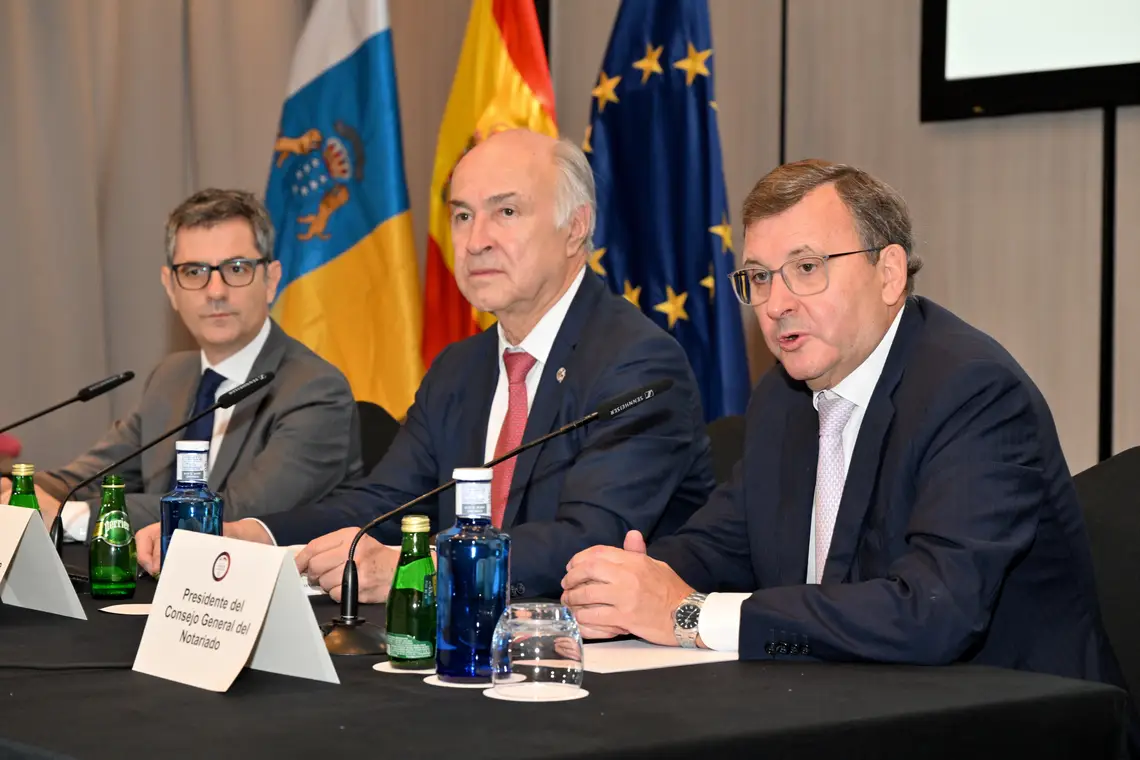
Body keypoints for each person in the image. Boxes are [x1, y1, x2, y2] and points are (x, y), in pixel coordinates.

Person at [560, 160, 1133, 719]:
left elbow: (931, 614)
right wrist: (625, 587)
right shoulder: (784, 398)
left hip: (1015, 724)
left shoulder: (972, 392)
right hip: (842, 707)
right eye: (759, 277)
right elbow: (721, 546)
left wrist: (689, 616)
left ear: (889, 273)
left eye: (806, 268)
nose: (777, 303)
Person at [136, 130, 716, 601]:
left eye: (505, 211)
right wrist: (247, 535)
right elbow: (380, 503)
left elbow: (589, 539)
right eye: (462, 216)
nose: (476, 240)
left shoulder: (636, 363)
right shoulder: (461, 368)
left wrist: (420, 567)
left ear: (576, 229)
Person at [3, 189, 362, 539]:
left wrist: (74, 516)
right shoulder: (171, 376)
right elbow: (92, 476)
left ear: (270, 280)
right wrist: (20, 491)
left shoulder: (315, 389)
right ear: (171, 287)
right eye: (194, 272)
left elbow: (237, 513)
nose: (216, 291)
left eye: (236, 268)